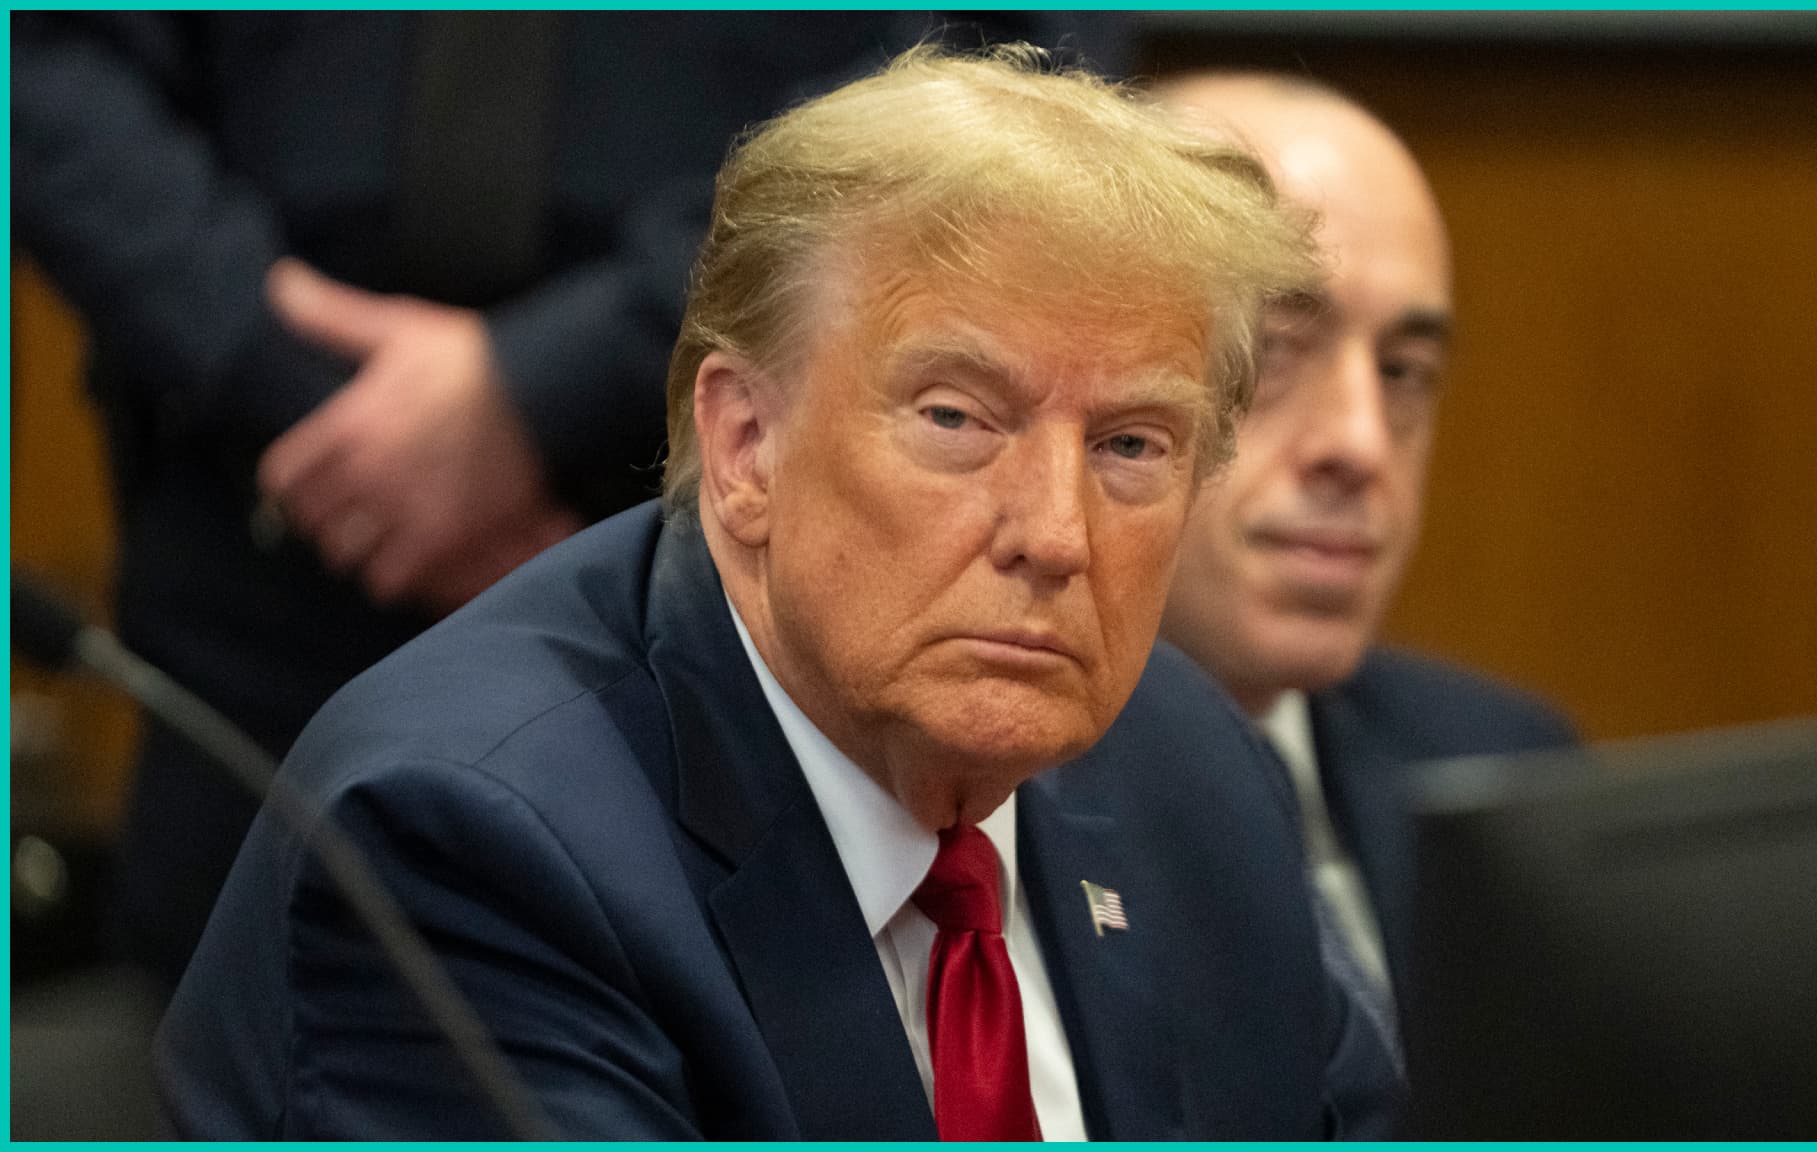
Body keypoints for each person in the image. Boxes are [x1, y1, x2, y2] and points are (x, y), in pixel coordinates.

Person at [155, 46, 1402, 1139]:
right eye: (959, 419)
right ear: (748, 445)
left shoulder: (1193, 778)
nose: (1055, 535)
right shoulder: (470, 845)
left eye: (1133, 445)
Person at [10, 11, 1102, 988]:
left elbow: (996, 53)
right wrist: (284, 375)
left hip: (723, 524)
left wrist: (552, 382)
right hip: (263, 534)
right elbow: (46, 55)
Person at [1153, 73, 1578, 1003]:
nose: (1360, 443)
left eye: (1403, 371)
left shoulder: (1506, 778)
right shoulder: (982, 822)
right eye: (1271, 351)